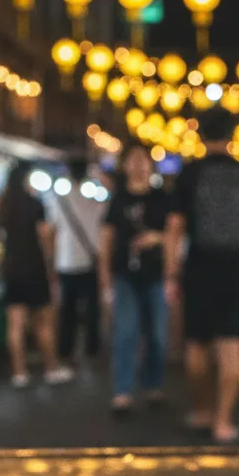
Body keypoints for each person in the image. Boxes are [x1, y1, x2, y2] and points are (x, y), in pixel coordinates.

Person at [165, 110, 239, 443]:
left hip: (199, 265)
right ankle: (224, 421)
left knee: (197, 343)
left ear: (200, 137)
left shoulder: (189, 174)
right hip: (237, 267)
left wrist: (171, 272)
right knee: (232, 345)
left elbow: (174, 227)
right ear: (232, 137)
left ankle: (202, 410)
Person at [99, 144, 169, 414]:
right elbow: (107, 239)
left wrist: (157, 238)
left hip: (156, 275)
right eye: (133, 160)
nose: (139, 165)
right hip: (124, 275)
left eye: (143, 160)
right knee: (125, 332)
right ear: (125, 165)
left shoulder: (162, 198)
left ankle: (154, 384)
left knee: (157, 334)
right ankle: (123, 391)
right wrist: (104, 279)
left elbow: (176, 234)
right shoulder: (118, 200)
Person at [0, 161, 74, 389]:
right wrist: (51, 264)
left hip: (11, 270)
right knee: (43, 322)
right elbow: (44, 237)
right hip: (34, 269)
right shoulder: (34, 204)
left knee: (15, 323)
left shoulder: (4, 206)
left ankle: (19, 373)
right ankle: (51, 368)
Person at [45, 158, 103, 363]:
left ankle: (66, 351)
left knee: (67, 312)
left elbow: (50, 233)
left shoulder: (59, 200)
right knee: (91, 311)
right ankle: (92, 349)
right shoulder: (95, 201)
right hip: (90, 262)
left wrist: (49, 262)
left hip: (65, 263)